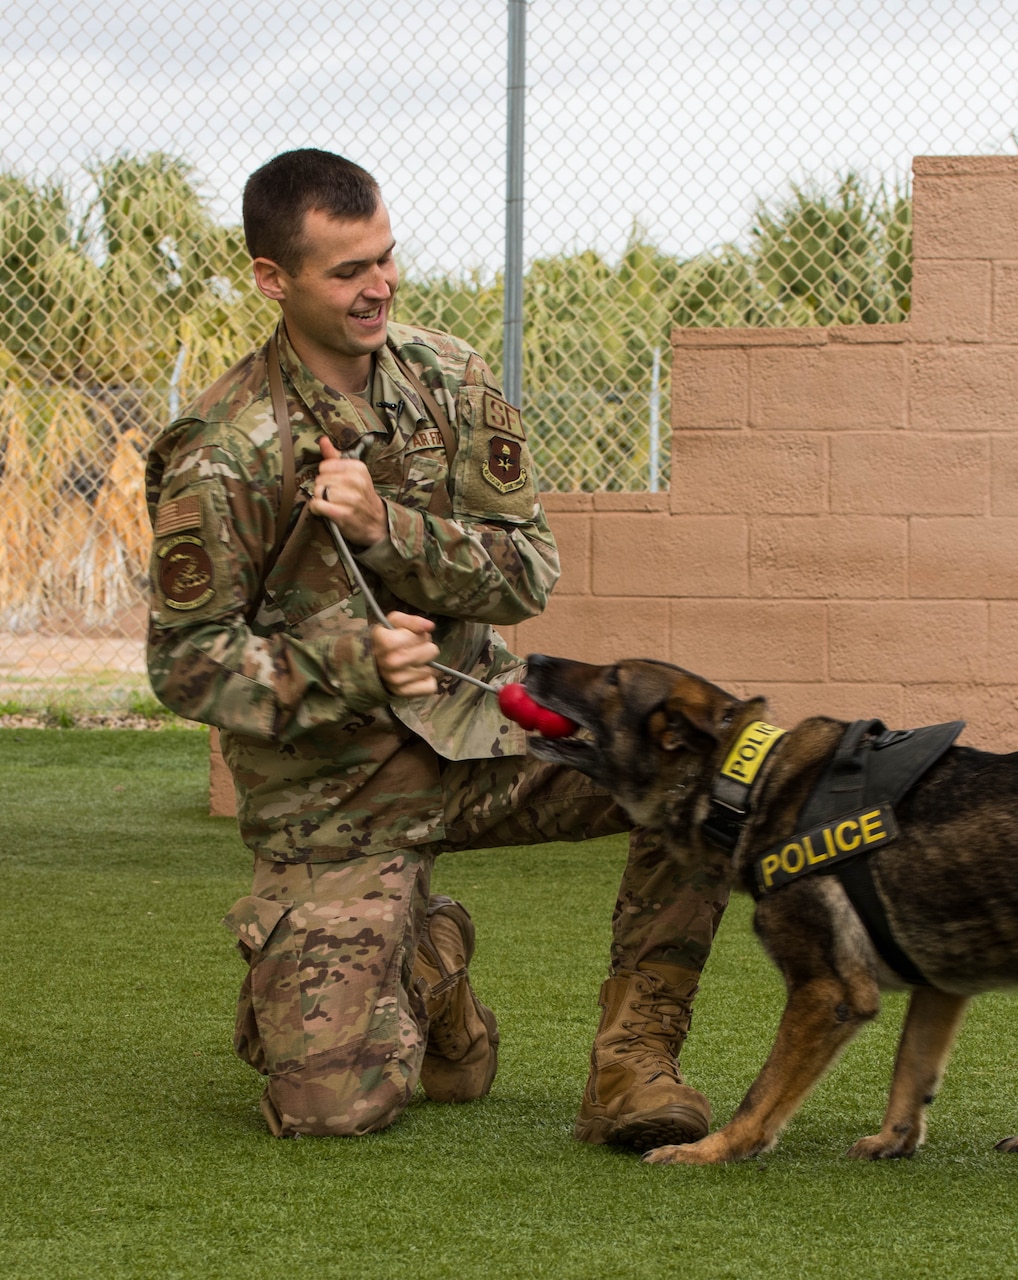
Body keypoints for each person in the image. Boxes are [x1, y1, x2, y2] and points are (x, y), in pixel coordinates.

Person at [146, 148, 726, 1145]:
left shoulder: (449, 378)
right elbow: (185, 659)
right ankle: (424, 958)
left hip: (479, 740)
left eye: (385, 257)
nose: (379, 285)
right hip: (332, 795)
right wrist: (348, 663)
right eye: (346, 270)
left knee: (702, 761)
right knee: (333, 1110)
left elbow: (527, 572)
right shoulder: (223, 445)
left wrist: (388, 532)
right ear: (272, 279)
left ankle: (633, 1063)